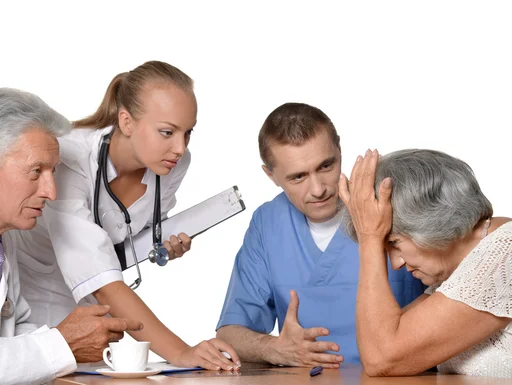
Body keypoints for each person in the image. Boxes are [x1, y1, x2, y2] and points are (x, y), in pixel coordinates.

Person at [7, 61, 239, 371]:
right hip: (34, 293)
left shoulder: (172, 164)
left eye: (188, 132)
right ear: (126, 122)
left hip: (99, 298)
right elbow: (101, 281)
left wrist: (160, 243)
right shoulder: (69, 157)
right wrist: (183, 353)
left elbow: (128, 232)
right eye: (167, 132)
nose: (180, 148)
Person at [0, 88, 143, 384]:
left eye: (52, 172)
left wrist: (80, 341)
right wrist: (61, 344)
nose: (51, 192)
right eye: (36, 171)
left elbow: (12, 331)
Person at [215, 103, 424, 367]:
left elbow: (455, 293)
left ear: (339, 149)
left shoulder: (389, 200)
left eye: (326, 166)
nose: (318, 189)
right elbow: (230, 333)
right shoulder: (268, 223)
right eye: (298, 177)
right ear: (271, 175)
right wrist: (275, 349)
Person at [339, 149, 512, 377]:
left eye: (395, 243)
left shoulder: (504, 253)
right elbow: (380, 344)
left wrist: (370, 236)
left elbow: (382, 357)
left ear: (432, 221)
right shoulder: (461, 271)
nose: (396, 263)